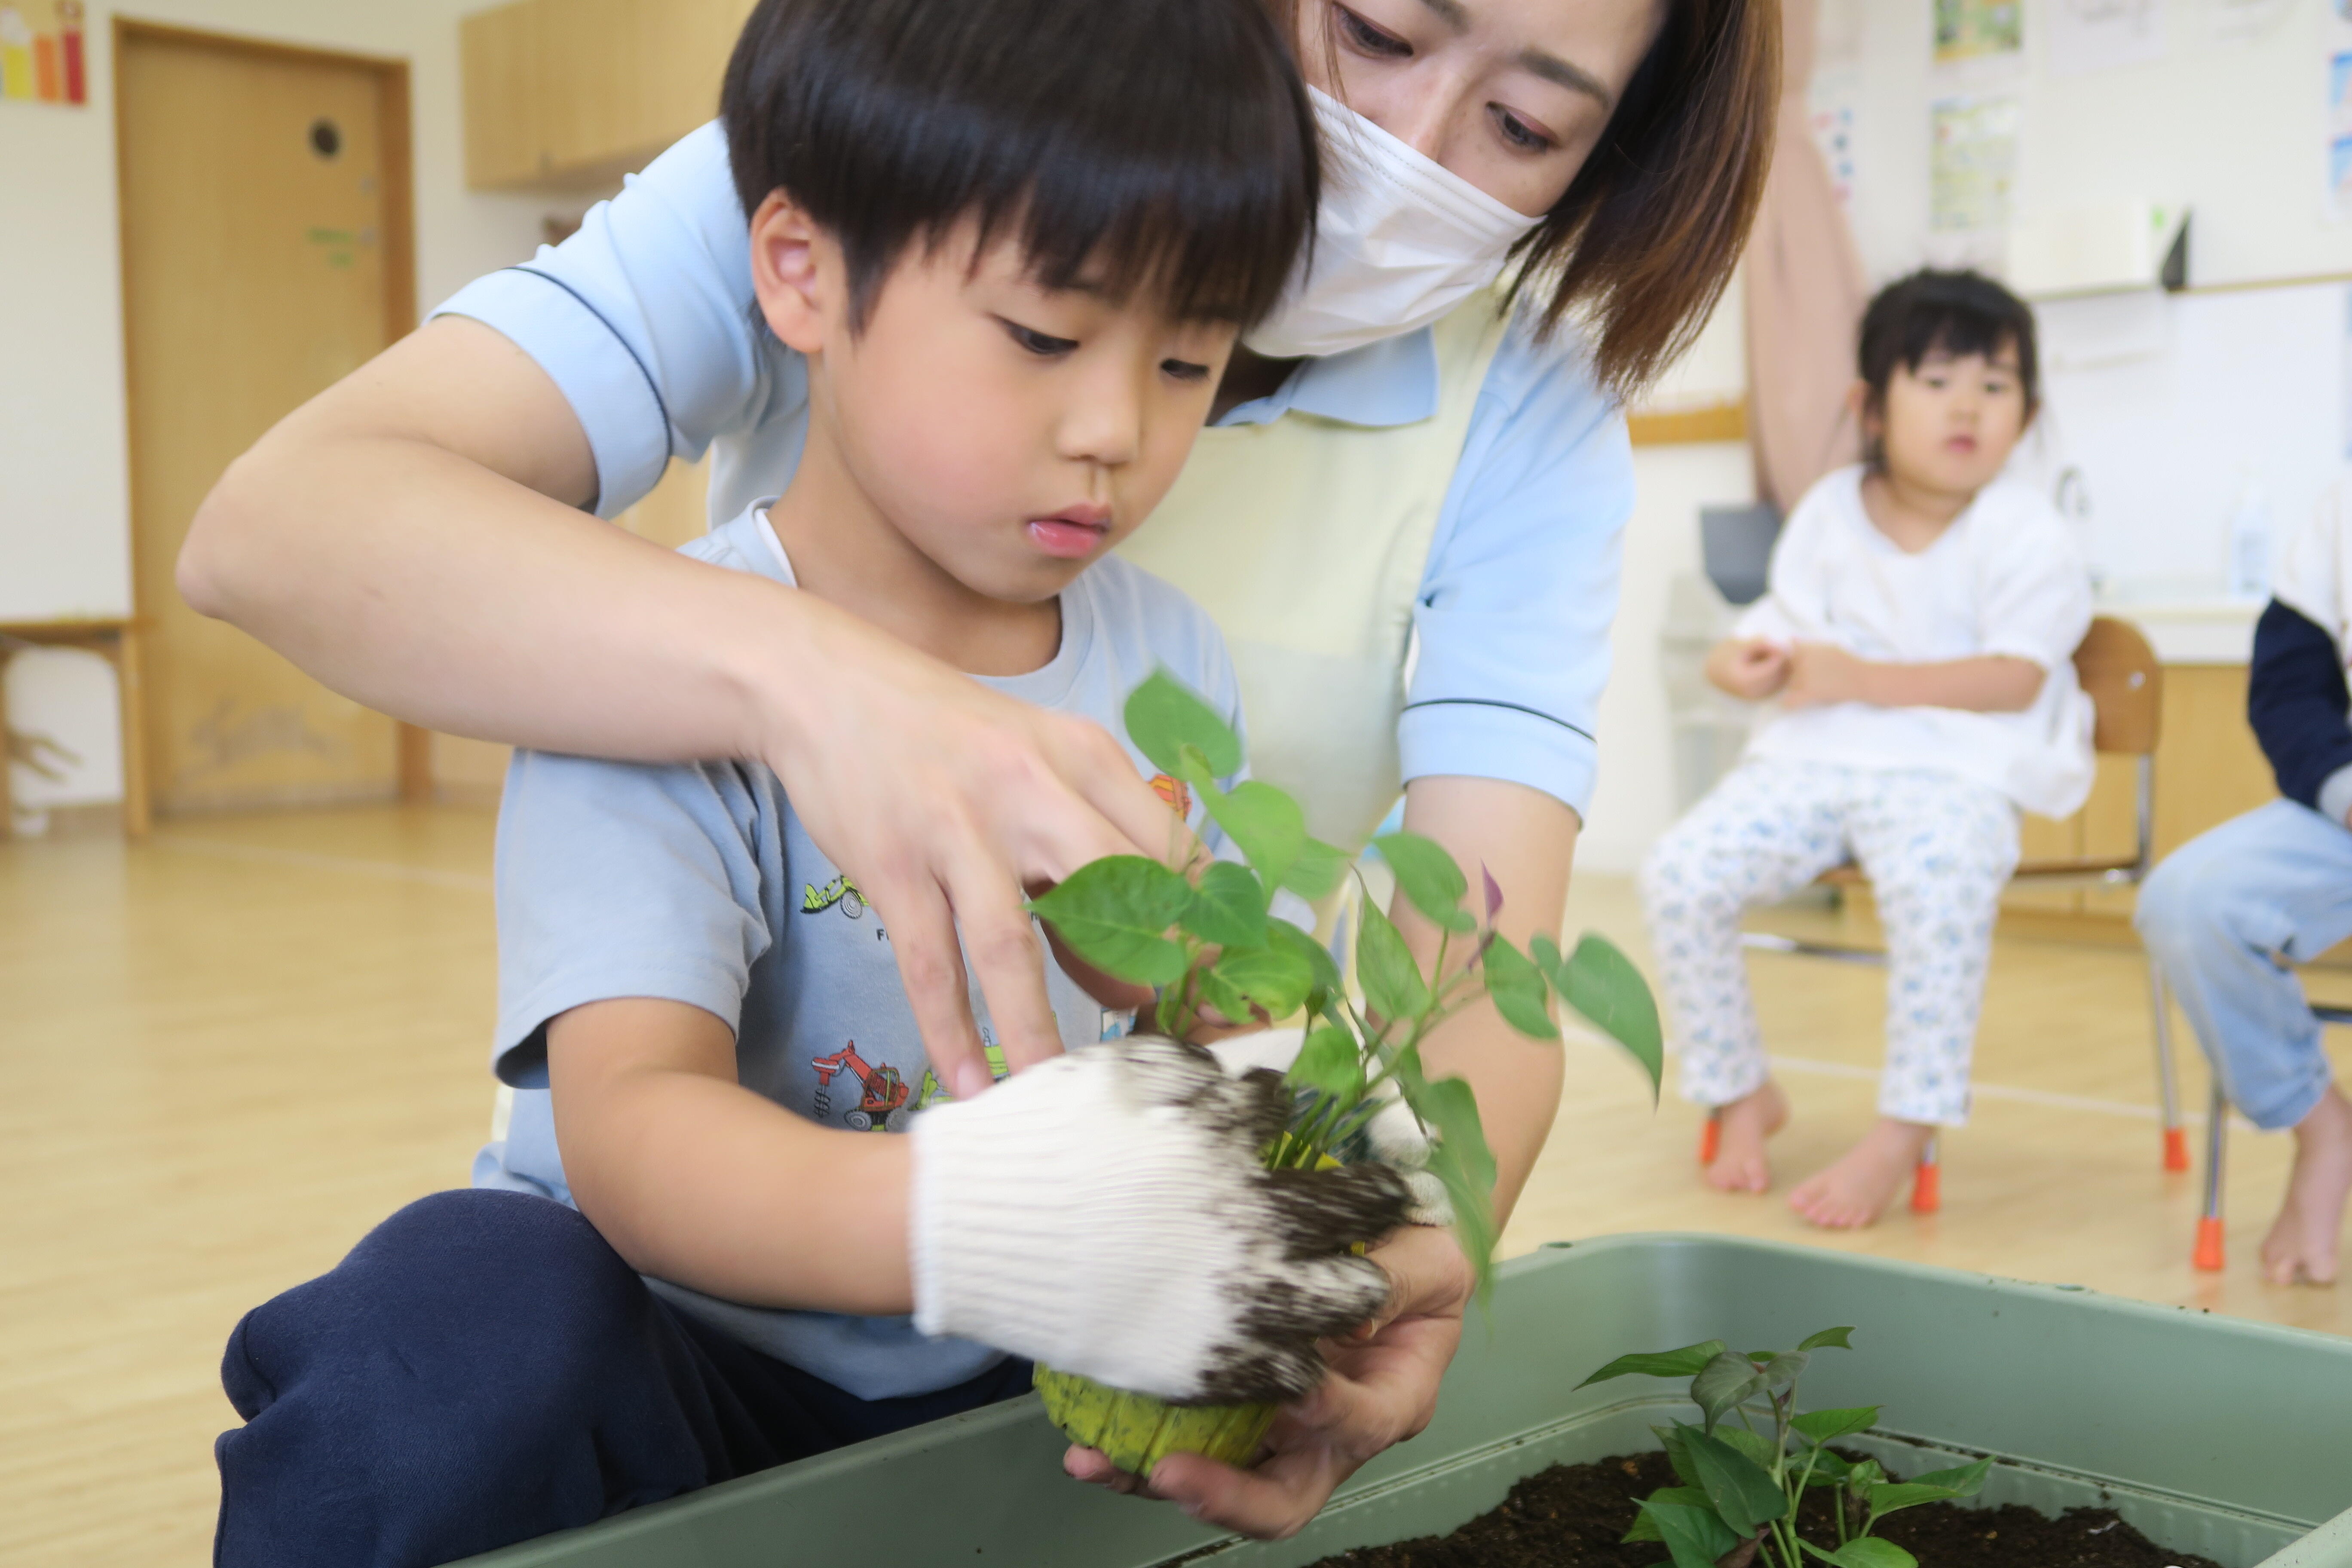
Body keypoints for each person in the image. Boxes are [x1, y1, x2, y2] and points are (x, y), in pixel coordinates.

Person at [181, 0, 1778, 1536]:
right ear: (798, 272)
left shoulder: (1178, 667)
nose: (1111, 431)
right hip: (706, 1324)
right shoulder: (660, 657)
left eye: (1524, 124)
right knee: (454, 1326)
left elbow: (1419, 980)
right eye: (1374, 31)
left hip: (1008, 1355)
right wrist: (984, 1217)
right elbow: (634, 1130)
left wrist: (1343, 1238)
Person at [1640, 269, 2095, 1229]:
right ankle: (1740, 1091)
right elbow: (1768, 634)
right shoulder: (1830, 510)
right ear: (1871, 405)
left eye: (1996, 384)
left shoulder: (2030, 531)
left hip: (1956, 768)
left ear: (2030, 411)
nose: (1967, 404)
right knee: (1681, 873)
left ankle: (1904, 1130)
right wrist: (1741, 664)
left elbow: (2015, 679)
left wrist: (1858, 679)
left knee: (1938, 886)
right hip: (1815, 757)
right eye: (1935, 380)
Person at [2137, 483, 2352, 1287]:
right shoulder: (2341, 510)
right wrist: (2341, 789)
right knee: (2191, 900)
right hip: (2342, 815)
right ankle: (2322, 1124)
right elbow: (2289, 691)